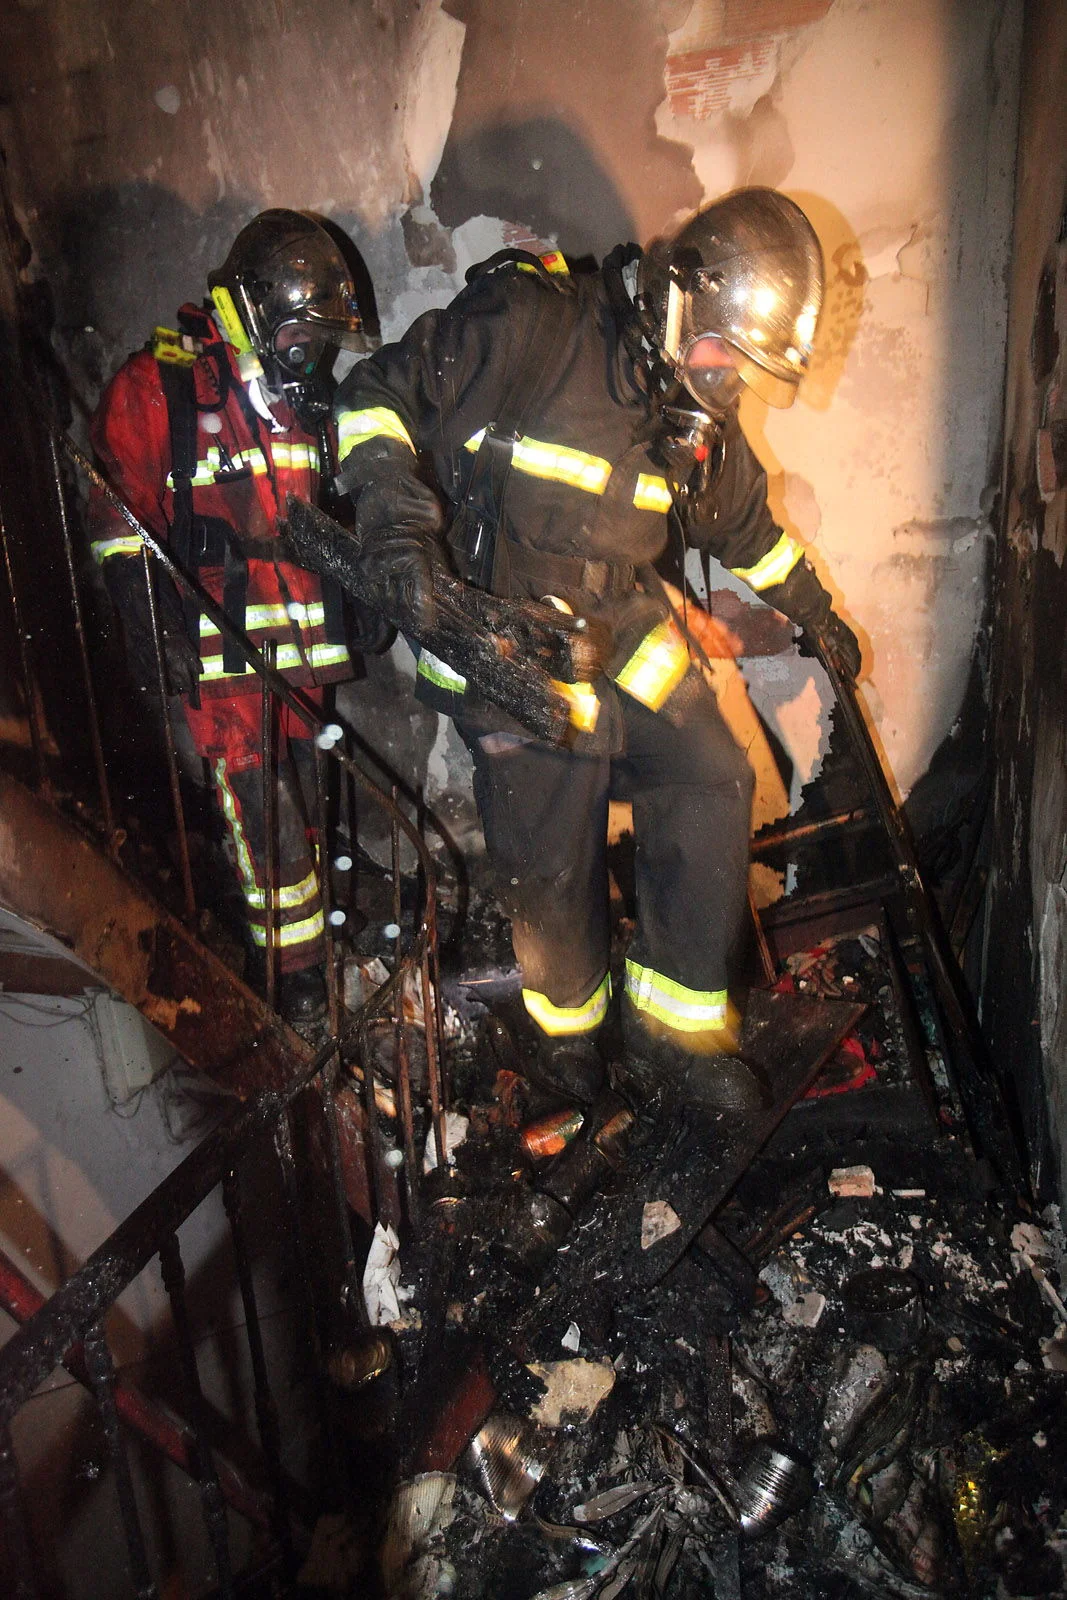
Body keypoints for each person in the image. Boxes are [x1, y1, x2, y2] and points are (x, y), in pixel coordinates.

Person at [330, 188, 860, 1109]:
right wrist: (395, 528)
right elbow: (377, 396)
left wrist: (817, 613)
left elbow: (744, 528)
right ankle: (565, 1038)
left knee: (710, 775)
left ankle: (677, 1034)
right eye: (723, 354)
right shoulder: (540, 324)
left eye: (742, 370)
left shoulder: (690, 403)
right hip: (505, 629)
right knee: (556, 834)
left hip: (619, 622)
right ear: (682, 295)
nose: (725, 383)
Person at [89, 209, 373, 1027]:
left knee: (306, 813)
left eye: (316, 342)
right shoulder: (162, 386)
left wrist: (361, 595)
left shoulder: (297, 406)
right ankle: (294, 981)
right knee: (263, 825)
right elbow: (118, 512)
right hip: (218, 653)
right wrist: (146, 617)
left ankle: (312, 952)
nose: (306, 356)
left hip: (297, 654)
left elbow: (321, 514)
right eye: (296, 336)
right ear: (252, 311)